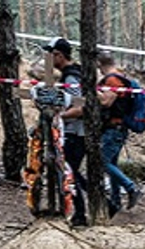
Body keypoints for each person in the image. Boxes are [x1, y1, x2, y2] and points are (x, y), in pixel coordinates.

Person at [44, 37, 87, 225]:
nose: (49, 61)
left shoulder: (71, 77)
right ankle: (101, 200)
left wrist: (59, 117)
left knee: (69, 173)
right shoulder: (75, 73)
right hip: (76, 132)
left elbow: (80, 107)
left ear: (59, 55)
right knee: (72, 172)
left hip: (75, 133)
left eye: (51, 56)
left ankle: (80, 213)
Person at [94, 54, 140, 214]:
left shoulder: (112, 80)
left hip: (114, 128)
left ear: (100, 64)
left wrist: (93, 91)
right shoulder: (120, 77)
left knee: (102, 161)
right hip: (116, 128)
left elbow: (106, 102)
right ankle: (116, 200)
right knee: (112, 163)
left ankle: (130, 187)